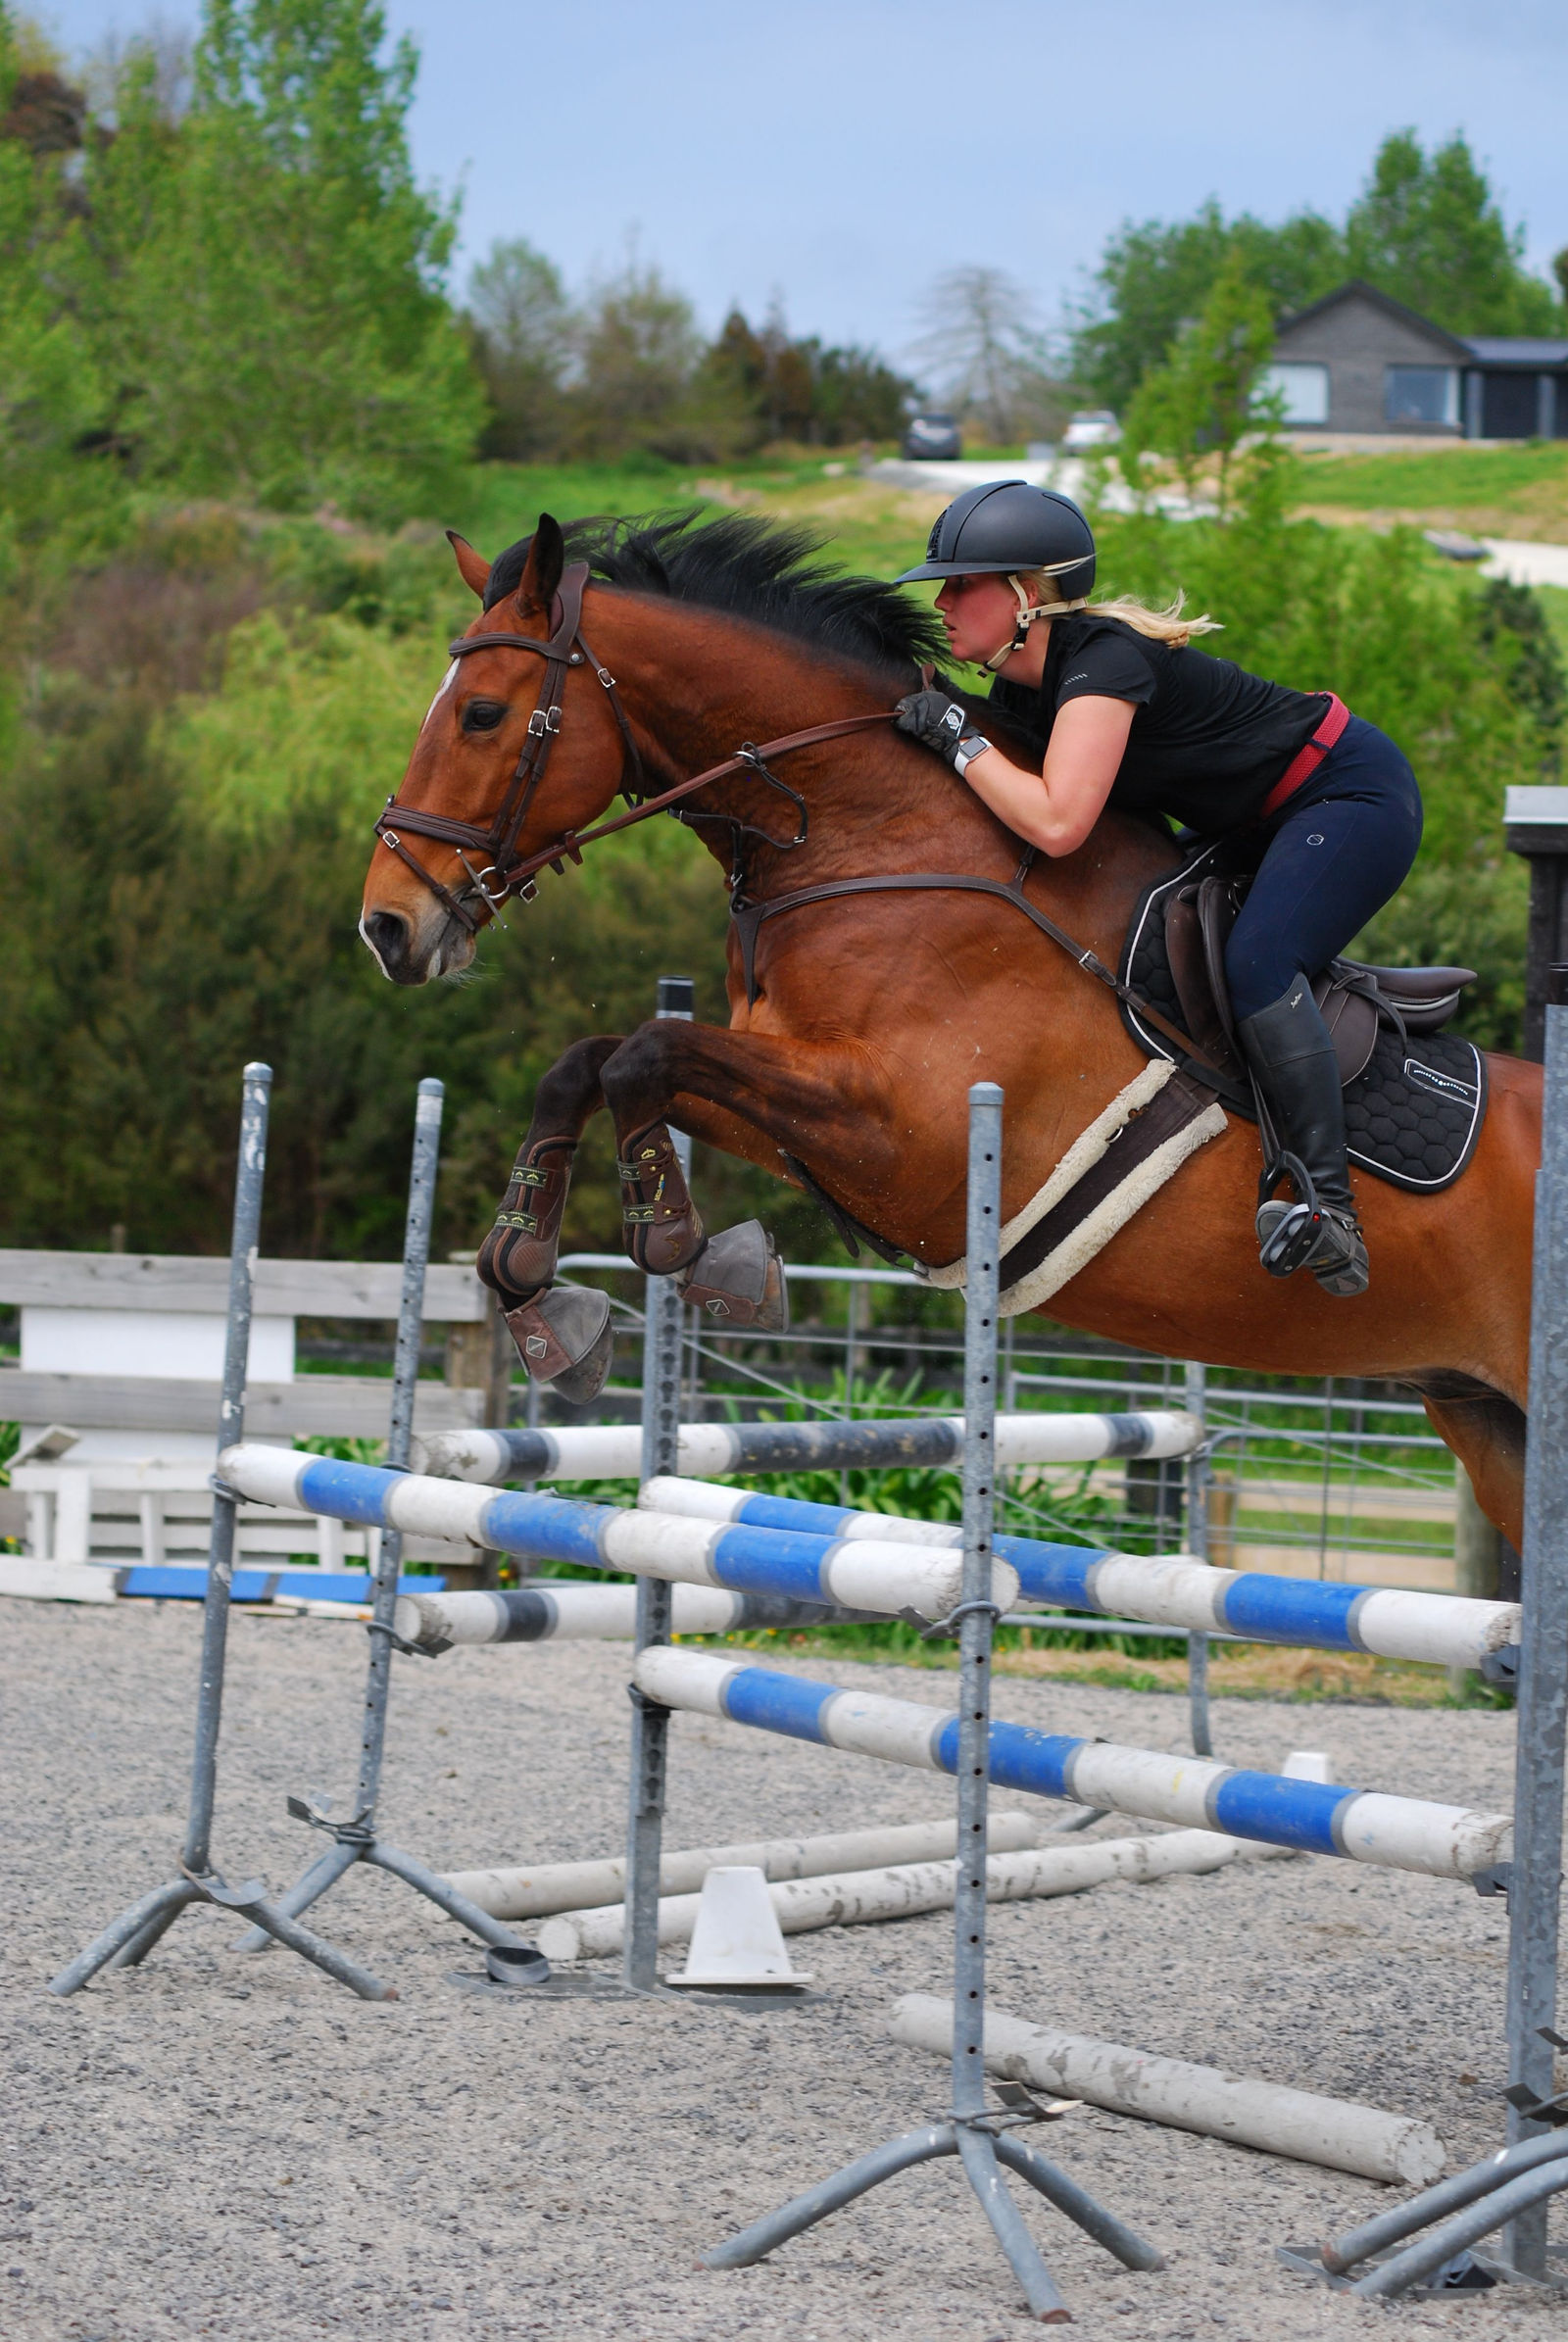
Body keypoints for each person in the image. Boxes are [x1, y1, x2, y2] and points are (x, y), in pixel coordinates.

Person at [891, 480, 1424, 1298]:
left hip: (1346, 797)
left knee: (1257, 967)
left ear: (1027, 596)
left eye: (962, 584)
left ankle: (1330, 1209)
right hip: (1254, 819)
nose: (941, 602)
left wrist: (959, 739)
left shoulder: (1104, 662)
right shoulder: (1023, 687)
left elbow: (1058, 823)